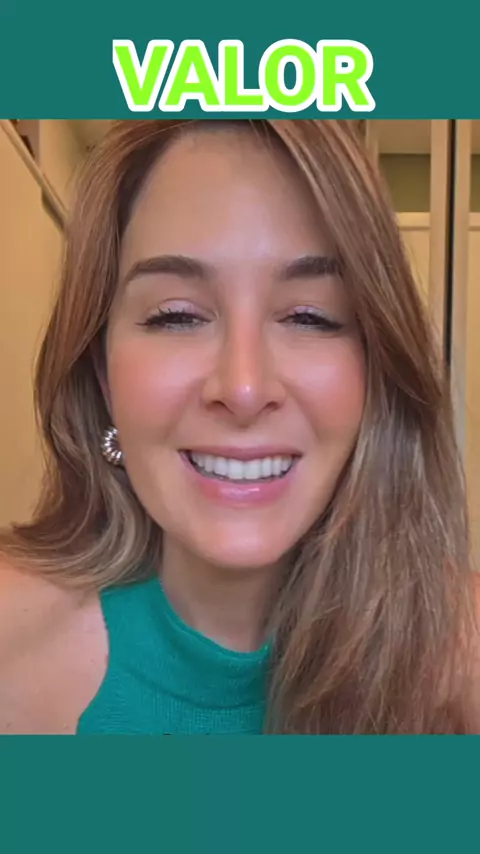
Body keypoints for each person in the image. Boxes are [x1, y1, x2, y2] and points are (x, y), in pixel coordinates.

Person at [0, 119, 478, 734]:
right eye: (175, 316)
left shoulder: (460, 653)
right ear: (103, 373)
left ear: (377, 370)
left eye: (311, 317)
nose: (244, 388)